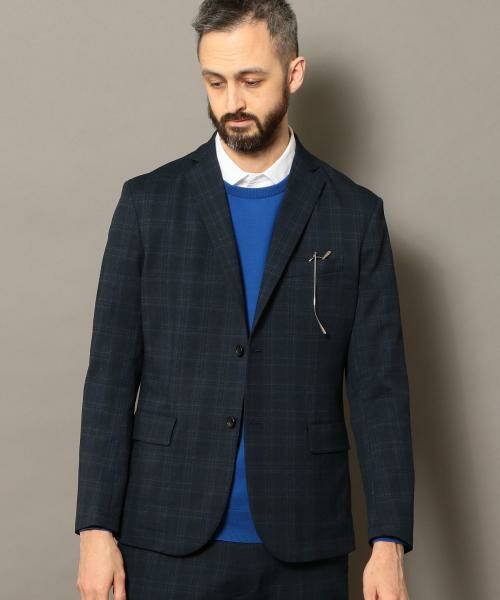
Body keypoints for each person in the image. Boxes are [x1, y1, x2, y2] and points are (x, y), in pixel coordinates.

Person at [75, 1, 415, 598]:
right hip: (166, 534)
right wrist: (95, 531)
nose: (231, 100)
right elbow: (109, 378)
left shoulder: (355, 216)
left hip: (305, 540)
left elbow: (379, 392)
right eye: (215, 81)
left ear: (294, 72)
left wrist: (387, 543)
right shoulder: (147, 206)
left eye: (251, 80)